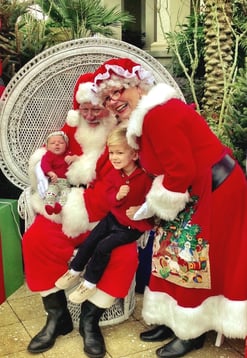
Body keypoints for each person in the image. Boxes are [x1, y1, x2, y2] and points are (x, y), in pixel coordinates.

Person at [92, 58, 247, 357]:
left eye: (118, 91)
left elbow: (180, 170)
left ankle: (191, 330)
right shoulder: (145, 116)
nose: (113, 101)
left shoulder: (158, 115)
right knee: (168, 252)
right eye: (107, 98)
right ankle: (171, 318)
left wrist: (155, 205)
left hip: (213, 190)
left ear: (137, 84)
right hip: (190, 191)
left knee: (189, 257)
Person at [22, 72, 139, 358]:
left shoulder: (120, 133)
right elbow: (49, 160)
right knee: (35, 239)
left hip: (107, 213)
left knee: (124, 254)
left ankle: (90, 318)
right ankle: (57, 316)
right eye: (84, 108)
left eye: (96, 108)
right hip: (63, 208)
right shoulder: (68, 130)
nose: (89, 114)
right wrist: (49, 178)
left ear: (105, 106)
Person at [55, 125, 154, 304]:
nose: (114, 158)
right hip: (113, 217)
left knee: (103, 247)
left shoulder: (145, 178)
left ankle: (89, 283)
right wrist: (117, 196)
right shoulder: (114, 175)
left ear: (134, 155)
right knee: (92, 239)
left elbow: (153, 202)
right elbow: (109, 197)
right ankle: (74, 271)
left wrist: (140, 210)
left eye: (119, 153)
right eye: (111, 153)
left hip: (131, 227)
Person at [40, 130, 76, 215]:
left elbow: (78, 160)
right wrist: (50, 173)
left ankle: (59, 206)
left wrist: (74, 158)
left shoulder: (68, 154)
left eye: (61, 142)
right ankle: (49, 205)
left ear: (66, 145)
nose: (57, 144)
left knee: (66, 194)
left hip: (66, 183)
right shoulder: (49, 155)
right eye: (52, 143)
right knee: (51, 192)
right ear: (47, 147)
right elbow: (44, 164)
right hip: (54, 182)